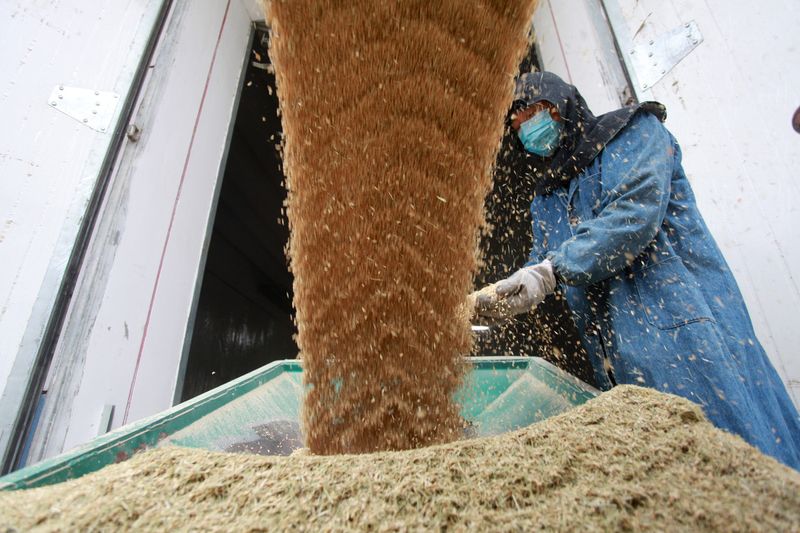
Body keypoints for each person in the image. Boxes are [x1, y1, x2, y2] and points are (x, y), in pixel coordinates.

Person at [475, 71, 800, 469]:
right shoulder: (548, 197)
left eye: (534, 115)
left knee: (738, 446)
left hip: (682, 330)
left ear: (561, 106)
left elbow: (632, 216)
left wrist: (547, 272)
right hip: (617, 356)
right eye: (518, 127)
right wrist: (499, 296)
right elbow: (543, 263)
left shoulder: (632, 134)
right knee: (670, 470)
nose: (528, 131)